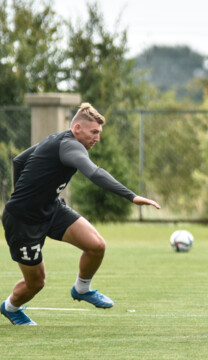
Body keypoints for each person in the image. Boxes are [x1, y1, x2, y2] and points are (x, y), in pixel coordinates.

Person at [1, 103, 160, 325]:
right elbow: (94, 172)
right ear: (77, 128)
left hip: (52, 209)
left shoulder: (56, 139)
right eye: (94, 132)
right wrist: (132, 196)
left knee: (97, 246)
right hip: (23, 221)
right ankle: (10, 307)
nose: (97, 138)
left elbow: (19, 160)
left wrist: (24, 192)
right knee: (36, 283)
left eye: (99, 133)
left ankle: (82, 289)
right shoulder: (70, 146)